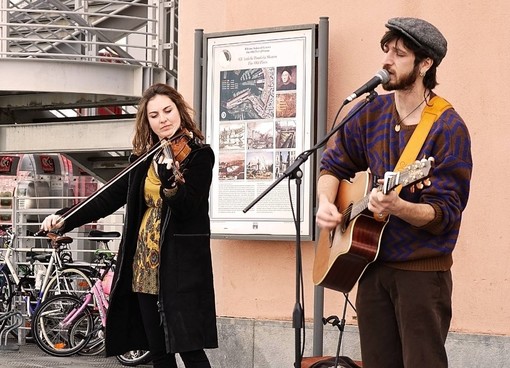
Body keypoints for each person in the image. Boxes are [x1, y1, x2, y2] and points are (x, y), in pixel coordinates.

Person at [315, 17, 472, 368]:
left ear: (425, 63)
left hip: (420, 273)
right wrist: (326, 202)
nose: (386, 61)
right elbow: (333, 163)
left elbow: (446, 212)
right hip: (369, 265)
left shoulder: (448, 127)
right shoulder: (371, 112)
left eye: (399, 54)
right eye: (386, 51)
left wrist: (398, 206)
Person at [41, 83, 218, 368]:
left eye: (168, 111)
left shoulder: (199, 155)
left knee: (190, 348)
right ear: (147, 122)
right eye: (154, 115)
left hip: (180, 267)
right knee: (158, 351)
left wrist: (170, 182)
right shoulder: (144, 158)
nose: (163, 119)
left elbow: (190, 206)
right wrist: (65, 219)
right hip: (144, 266)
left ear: (179, 112)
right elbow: (107, 198)